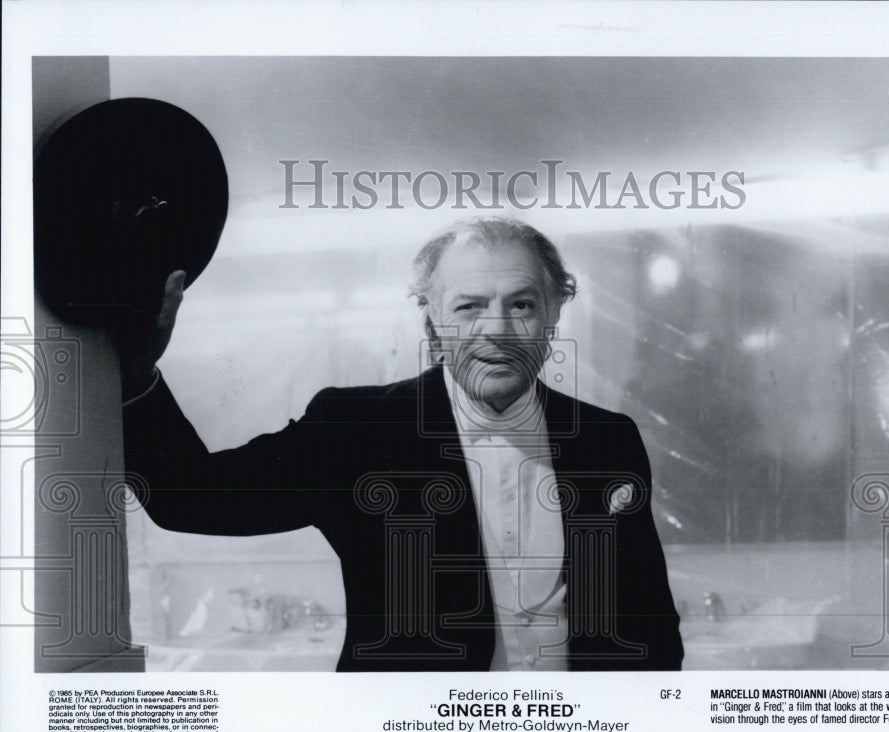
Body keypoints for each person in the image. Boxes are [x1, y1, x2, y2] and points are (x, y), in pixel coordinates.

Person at [122, 217, 684, 671]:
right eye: (469, 306)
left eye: (522, 303)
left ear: (554, 315)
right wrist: (137, 370)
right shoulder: (355, 429)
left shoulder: (609, 439)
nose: (498, 329)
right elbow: (186, 496)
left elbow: (649, 623)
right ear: (433, 321)